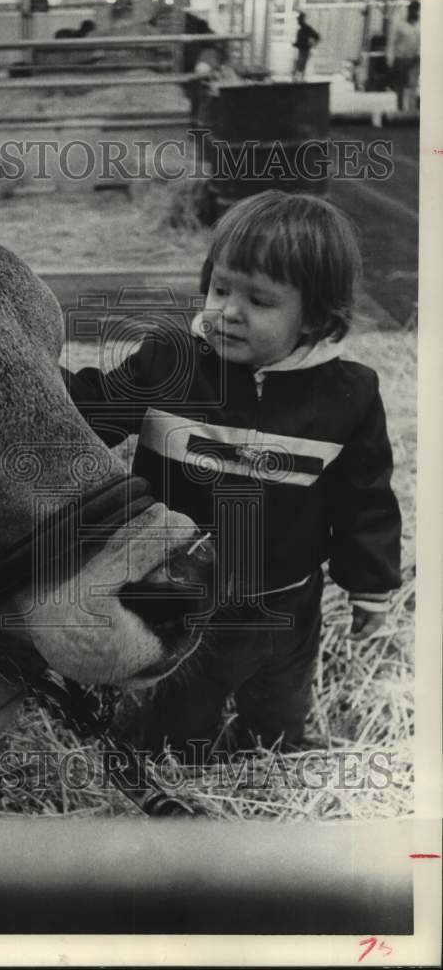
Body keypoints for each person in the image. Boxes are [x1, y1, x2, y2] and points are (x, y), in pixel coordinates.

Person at [64, 191, 401, 755]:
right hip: (179, 594)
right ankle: (172, 755)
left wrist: (370, 587)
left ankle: (274, 741)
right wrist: (35, 390)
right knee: (176, 729)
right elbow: (93, 409)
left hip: (287, 599)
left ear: (316, 317)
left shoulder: (349, 395)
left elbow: (364, 498)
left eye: (260, 300)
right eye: (220, 288)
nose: (227, 311)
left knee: (279, 715)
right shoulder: (169, 362)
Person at [386, 0, 420, 111]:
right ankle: (400, 109)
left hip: (414, 59)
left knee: (412, 85)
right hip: (400, 59)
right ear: (409, 11)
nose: (417, 13)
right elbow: (392, 42)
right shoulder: (400, 25)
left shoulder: (420, 26)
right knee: (400, 86)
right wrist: (390, 60)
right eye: (414, 10)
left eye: (418, 11)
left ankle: (412, 110)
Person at [292, 12, 320, 79]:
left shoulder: (306, 28)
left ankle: (300, 80)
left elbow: (317, 36)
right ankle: (298, 79)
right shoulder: (300, 30)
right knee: (298, 66)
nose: (298, 21)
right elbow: (300, 41)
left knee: (300, 67)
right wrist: (296, 44)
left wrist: (312, 45)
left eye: (299, 19)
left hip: (305, 50)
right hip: (300, 50)